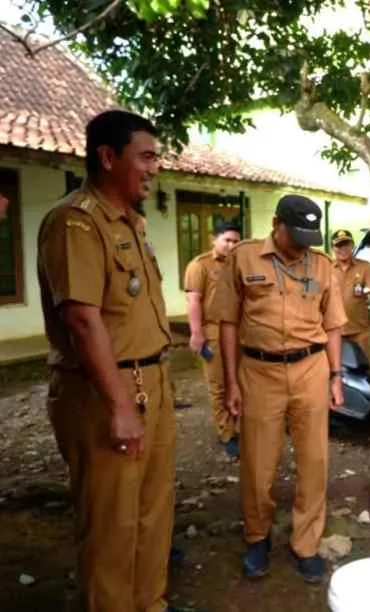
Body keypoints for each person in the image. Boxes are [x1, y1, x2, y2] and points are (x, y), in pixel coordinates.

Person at [37, 110, 177, 611]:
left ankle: (150, 603)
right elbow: (82, 320)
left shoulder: (131, 224)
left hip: (150, 380)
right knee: (112, 525)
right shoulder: (75, 222)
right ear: (108, 157)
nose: (155, 167)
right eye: (146, 156)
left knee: (153, 512)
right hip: (104, 392)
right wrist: (119, 406)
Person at [214, 194, 346, 583]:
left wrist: (336, 376)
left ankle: (306, 543)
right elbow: (227, 322)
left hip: (310, 369)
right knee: (258, 463)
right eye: (296, 236)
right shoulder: (244, 257)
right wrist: (231, 381)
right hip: (259, 371)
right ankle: (257, 537)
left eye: (309, 238)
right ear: (276, 224)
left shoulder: (321, 264)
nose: (303, 246)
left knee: (314, 461)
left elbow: (333, 324)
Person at [184, 221, 242, 458]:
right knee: (218, 384)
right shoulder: (200, 265)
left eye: (236, 241)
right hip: (213, 332)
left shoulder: (239, 265)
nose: (231, 245)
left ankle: (239, 427)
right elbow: (193, 300)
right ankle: (227, 434)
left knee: (238, 381)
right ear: (214, 239)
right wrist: (196, 333)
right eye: (227, 240)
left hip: (238, 332)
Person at [331, 229, 370, 357]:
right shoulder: (327, 268)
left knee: (365, 364)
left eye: (346, 245)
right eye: (339, 245)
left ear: (353, 246)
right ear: (333, 248)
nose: (343, 249)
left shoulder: (365, 267)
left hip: (360, 331)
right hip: (334, 331)